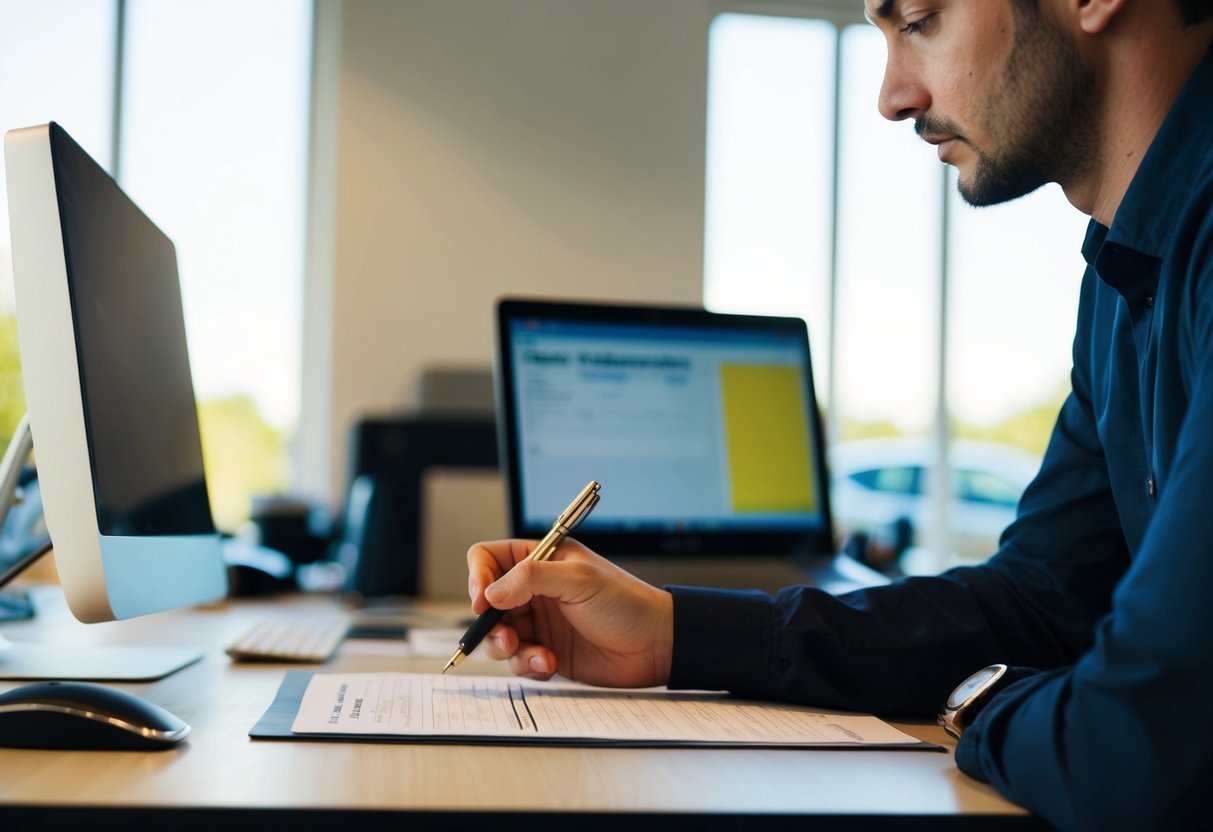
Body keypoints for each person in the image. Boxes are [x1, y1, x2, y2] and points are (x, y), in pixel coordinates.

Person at [465, 1, 1213, 828]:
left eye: (920, 21)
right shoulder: (1117, 281)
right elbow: (1036, 605)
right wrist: (672, 633)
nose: (890, 96)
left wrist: (979, 703)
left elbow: (1138, 747)